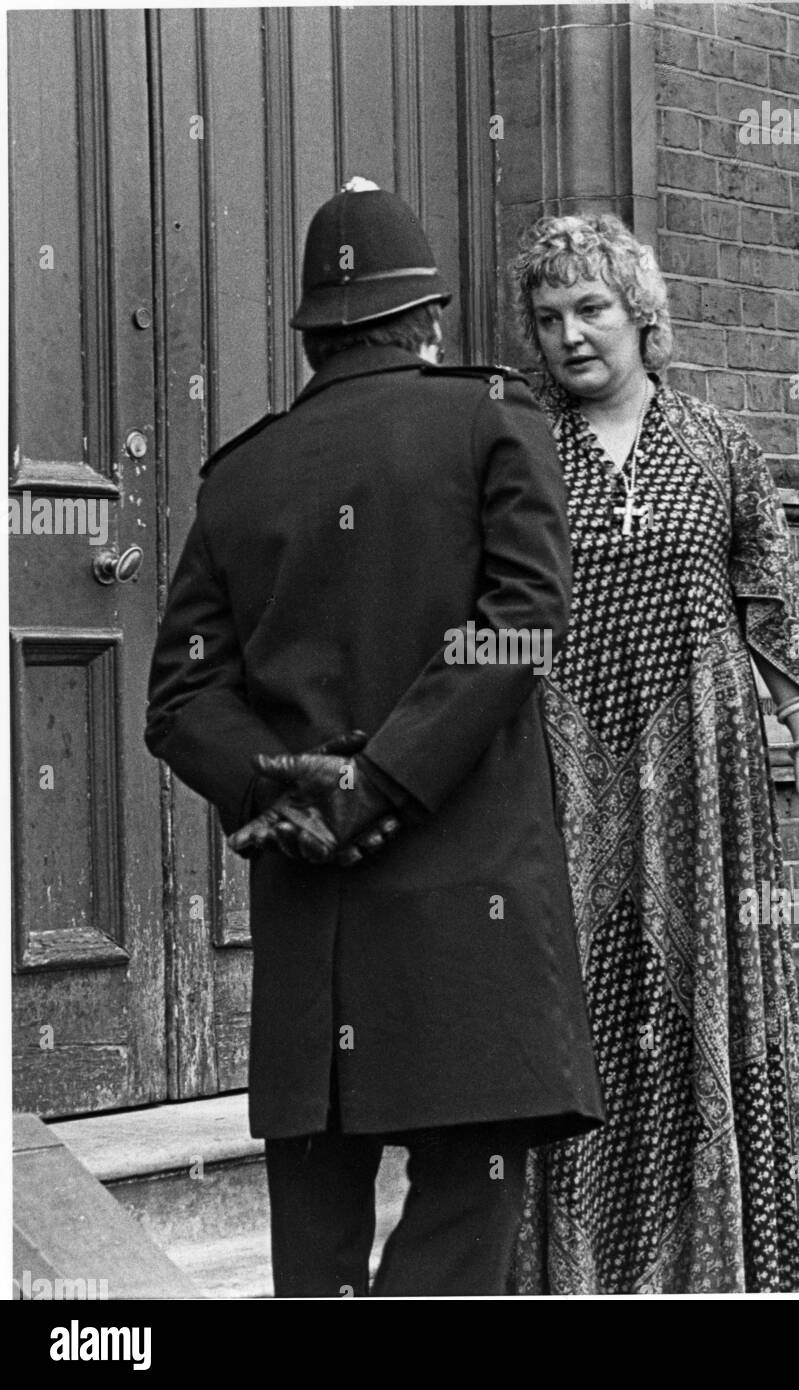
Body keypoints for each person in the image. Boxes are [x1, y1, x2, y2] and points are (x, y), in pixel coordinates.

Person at [145, 181, 603, 1299]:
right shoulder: (496, 418)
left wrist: (296, 791)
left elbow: (179, 697)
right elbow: (520, 623)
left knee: (316, 1248)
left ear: (313, 335)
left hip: (316, 938)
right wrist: (385, 778)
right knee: (462, 1218)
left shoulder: (240, 477)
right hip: (472, 915)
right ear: (429, 319)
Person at [508, 212, 799, 1294]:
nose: (572, 334)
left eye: (593, 309)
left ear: (641, 316)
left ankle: (717, 1273)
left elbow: (770, 596)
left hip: (705, 779)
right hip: (561, 775)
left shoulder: (717, 444)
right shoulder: (516, 448)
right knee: (580, 1014)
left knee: (704, 998)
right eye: (550, 314)